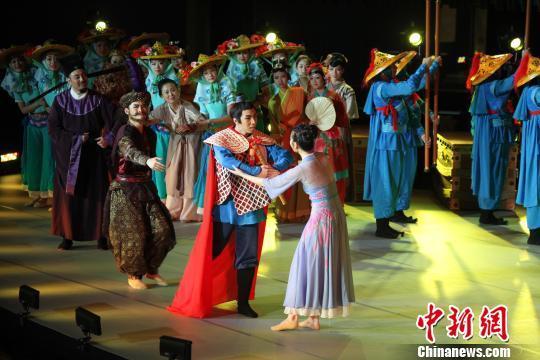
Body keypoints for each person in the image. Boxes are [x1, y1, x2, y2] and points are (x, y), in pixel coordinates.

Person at [168, 101, 293, 318]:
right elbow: (227, 162)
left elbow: (286, 156)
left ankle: (242, 303)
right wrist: (257, 171)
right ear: (235, 120)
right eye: (248, 118)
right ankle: (196, 294)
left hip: (252, 204)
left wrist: (273, 169)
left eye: (254, 117)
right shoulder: (222, 139)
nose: (253, 121)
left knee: (248, 256)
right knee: (213, 250)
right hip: (227, 204)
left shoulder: (262, 138)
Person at [229, 124, 355, 331]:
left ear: (294, 144)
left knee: (303, 263)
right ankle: (313, 318)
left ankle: (294, 316)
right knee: (320, 263)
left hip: (322, 218)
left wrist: (241, 173)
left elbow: (269, 184)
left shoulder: (303, 168)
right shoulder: (323, 157)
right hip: (336, 216)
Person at [103, 91, 176, 289]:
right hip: (125, 189)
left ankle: (151, 269)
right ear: (127, 110)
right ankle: (134, 275)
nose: (141, 109)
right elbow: (128, 150)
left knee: (163, 231)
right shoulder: (125, 132)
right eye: (136, 106)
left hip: (144, 186)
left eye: (143, 106)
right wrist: (147, 160)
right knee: (133, 234)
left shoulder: (149, 133)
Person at [362, 49, 435, 238]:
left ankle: (389, 218)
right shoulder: (380, 87)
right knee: (385, 182)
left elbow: (410, 115)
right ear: (382, 71)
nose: (395, 69)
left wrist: (421, 134)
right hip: (385, 144)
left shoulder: (392, 88)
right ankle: (382, 225)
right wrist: (423, 66)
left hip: (397, 142)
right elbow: (411, 86)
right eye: (391, 67)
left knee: (395, 182)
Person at [47, 54, 116, 250]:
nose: (82, 79)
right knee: (69, 198)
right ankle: (67, 236)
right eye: (77, 76)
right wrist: (76, 139)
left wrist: (108, 138)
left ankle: (101, 236)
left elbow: (115, 122)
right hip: (68, 159)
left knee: (98, 196)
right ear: (68, 80)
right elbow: (54, 130)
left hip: (94, 157)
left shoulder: (98, 99)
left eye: (84, 75)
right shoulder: (60, 101)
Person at [466, 52, 516, 225]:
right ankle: (487, 211)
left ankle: (487, 210)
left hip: (489, 133)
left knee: (490, 168)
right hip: (493, 135)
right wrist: (526, 61)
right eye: (501, 68)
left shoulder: (481, 88)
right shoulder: (493, 86)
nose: (504, 70)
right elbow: (513, 81)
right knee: (492, 169)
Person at [390, 51, 440, 223]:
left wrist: (432, 116)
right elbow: (412, 118)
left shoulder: (412, 95)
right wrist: (422, 133)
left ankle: (400, 209)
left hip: (411, 139)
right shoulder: (400, 92)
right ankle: (395, 209)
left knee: (408, 175)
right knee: (401, 174)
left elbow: (422, 100)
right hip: (404, 137)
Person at [132, 41, 183, 200]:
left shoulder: (174, 77)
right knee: (159, 161)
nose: (157, 66)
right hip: (157, 126)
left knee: (177, 161)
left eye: (161, 62)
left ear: (167, 62)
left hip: (174, 124)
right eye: (153, 63)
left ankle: (177, 197)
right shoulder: (149, 78)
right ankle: (162, 196)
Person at [150, 79, 205, 221]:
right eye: (166, 92)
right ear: (162, 96)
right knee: (172, 175)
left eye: (173, 90)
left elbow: (200, 120)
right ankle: (173, 210)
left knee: (189, 174)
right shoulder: (162, 108)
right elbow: (149, 119)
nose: (171, 94)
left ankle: (189, 212)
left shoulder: (186, 106)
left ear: (178, 90)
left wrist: (191, 126)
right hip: (174, 145)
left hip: (190, 144)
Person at [0, 45, 47, 206]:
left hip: (48, 121)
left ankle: (48, 196)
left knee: (48, 158)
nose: (17, 64)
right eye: (13, 62)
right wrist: (37, 104)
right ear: (9, 65)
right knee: (34, 159)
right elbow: (23, 109)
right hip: (33, 124)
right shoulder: (12, 83)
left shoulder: (35, 74)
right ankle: (37, 195)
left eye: (19, 60)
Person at [190, 54, 236, 214]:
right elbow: (203, 114)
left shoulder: (226, 84)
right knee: (209, 169)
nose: (210, 75)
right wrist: (199, 122)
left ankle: (230, 204)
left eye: (213, 71)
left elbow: (231, 116)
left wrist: (209, 123)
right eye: (206, 73)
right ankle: (209, 204)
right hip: (211, 133)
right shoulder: (201, 88)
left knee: (228, 168)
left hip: (227, 132)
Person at [268, 60, 310, 222]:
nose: (280, 80)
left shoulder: (300, 92)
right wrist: (277, 140)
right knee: (286, 172)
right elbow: (274, 124)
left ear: (288, 77)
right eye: (276, 78)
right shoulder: (273, 101)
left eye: (283, 76)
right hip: (285, 140)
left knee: (302, 171)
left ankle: (302, 210)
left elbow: (308, 112)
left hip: (300, 136)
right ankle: (285, 211)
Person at [306, 62, 349, 203]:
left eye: (317, 78)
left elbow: (342, 117)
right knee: (318, 169)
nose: (314, 81)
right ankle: (320, 202)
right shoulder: (309, 97)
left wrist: (341, 134)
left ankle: (338, 201)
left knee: (335, 167)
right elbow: (305, 117)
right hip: (316, 137)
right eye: (311, 79)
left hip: (332, 135)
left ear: (324, 79)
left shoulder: (333, 96)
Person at [512, 51, 540, 245]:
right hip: (536, 141)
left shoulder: (528, 92)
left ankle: (535, 230)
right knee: (536, 183)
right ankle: (537, 231)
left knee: (534, 181)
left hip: (532, 142)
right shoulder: (536, 92)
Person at [325, 52, 359, 201]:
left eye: (338, 69)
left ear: (342, 71)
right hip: (323, 129)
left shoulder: (347, 90)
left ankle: (341, 197)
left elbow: (350, 113)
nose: (334, 73)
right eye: (331, 69)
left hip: (340, 128)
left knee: (340, 160)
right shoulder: (324, 86)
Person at [221, 34, 270, 132]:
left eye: (245, 52)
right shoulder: (231, 69)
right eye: (239, 53)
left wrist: (258, 102)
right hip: (238, 113)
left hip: (255, 110)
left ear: (250, 52)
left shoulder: (257, 66)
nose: (242, 56)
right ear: (235, 55)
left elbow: (266, 90)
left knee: (258, 141)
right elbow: (229, 96)